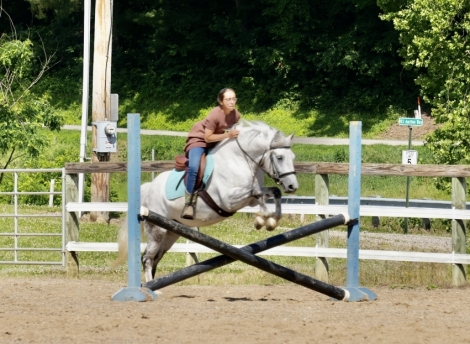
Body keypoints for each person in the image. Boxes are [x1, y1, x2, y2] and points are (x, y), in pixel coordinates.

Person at [181, 88, 241, 219]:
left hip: (217, 141)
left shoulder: (236, 115)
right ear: (221, 101)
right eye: (228, 99)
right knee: (194, 167)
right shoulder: (214, 114)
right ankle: (189, 203)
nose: (232, 102)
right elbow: (207, 138)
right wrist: (228, 135)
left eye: (234, 98)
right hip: (199, 140)